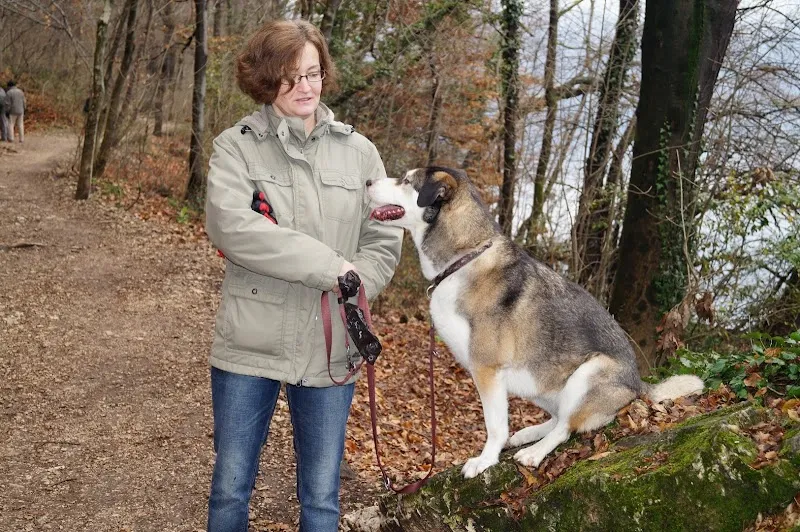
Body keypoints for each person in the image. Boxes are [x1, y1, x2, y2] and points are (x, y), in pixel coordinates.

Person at [203, 19, 402, 532]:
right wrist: (332, 268)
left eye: (313, 73)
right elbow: (232, 227)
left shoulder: (360, 152)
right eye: (291, 77)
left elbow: (383, 237)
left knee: (321, 498)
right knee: (230, 490)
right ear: (266, 79)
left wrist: (357, 285)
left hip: (331, 346)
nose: (305, 87)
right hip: (250, 344)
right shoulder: (236, 147)